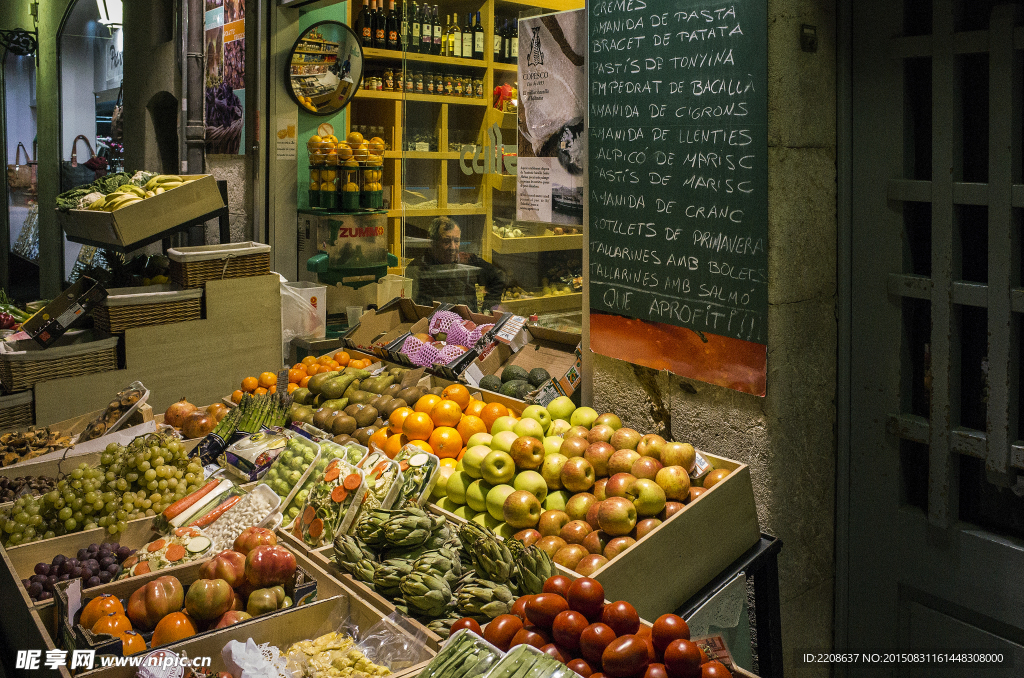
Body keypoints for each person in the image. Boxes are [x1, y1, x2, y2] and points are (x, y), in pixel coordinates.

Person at [407, 217, 506, 312]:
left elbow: (498, 277)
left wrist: (488, 309)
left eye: (456, 241)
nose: (453, 247)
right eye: (446, 241)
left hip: (468, 325)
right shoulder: (417, 268)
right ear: (432, 242)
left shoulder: (467, 260)